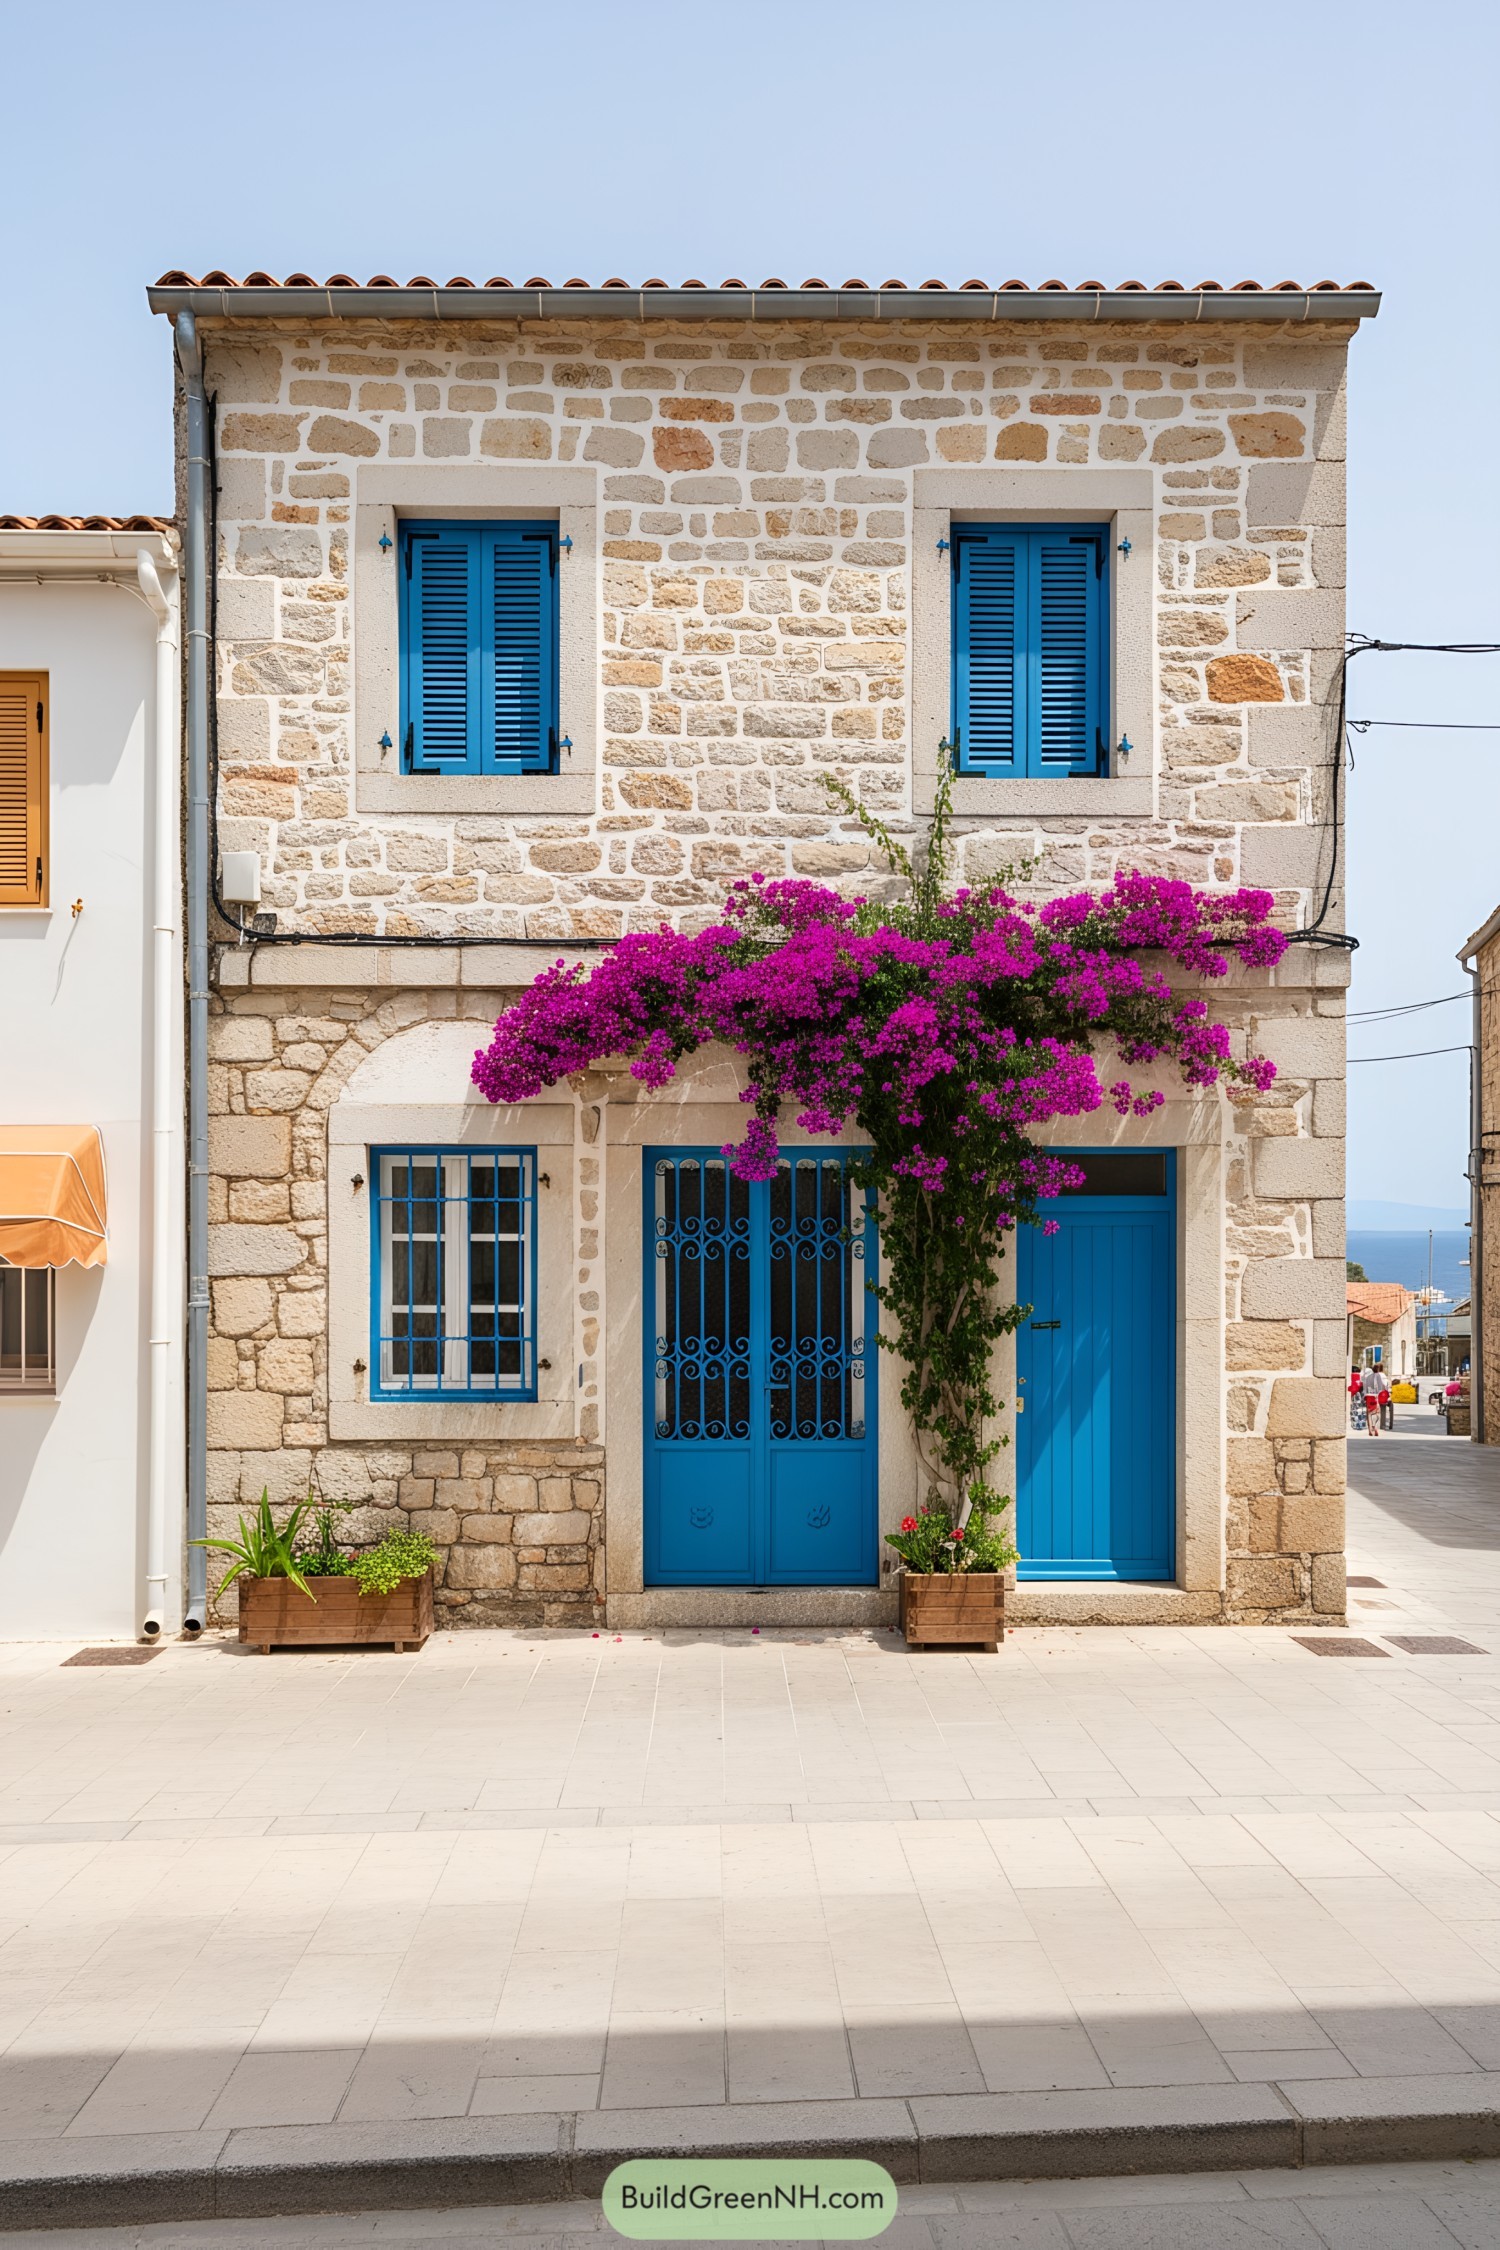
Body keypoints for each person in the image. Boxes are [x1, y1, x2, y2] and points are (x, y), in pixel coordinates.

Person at [1361, 1362, 1382, 1435]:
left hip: (1368, 1397)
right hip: (1375, 1396)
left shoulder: (1368, 1377)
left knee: (1369, 1413)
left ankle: (1370, 1429)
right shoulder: (1378, 1376)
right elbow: (1380, 1388)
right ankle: (1375, 1427)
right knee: (1376, 1413)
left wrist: (1365, 1396)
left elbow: (1365, 1387)